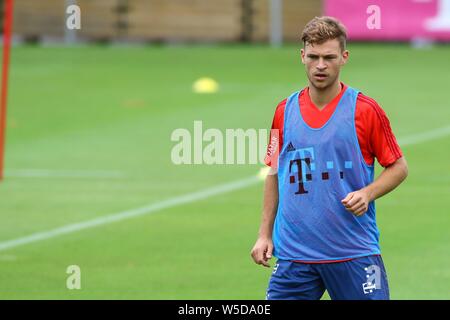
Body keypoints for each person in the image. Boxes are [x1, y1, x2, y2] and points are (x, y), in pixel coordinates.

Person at [250, 16, 409, 300]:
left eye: (329, 57)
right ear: (302, 56)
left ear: (344, 57)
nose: (320, 65)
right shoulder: (283, 112)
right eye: (313, 57)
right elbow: (273, 172)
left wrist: (367, 193)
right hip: (294, 257)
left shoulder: (365, 111)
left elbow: (398, 166)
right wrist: (264, 234)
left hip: (353, 253)